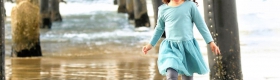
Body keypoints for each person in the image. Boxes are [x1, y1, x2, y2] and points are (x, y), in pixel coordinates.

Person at [142, 0, 221, 80]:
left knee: (187, 77)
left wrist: (210, 42)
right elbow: (159, 29)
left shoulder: (190, 6)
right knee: (171, 73)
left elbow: (201, 25)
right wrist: (150, 44)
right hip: (170, 48)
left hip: (188, 48)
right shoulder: (163, 9)